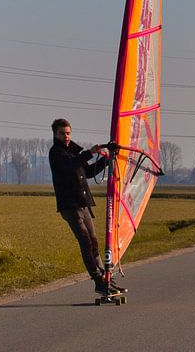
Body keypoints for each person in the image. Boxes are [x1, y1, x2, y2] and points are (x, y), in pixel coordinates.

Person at [48, 118, 124, 295]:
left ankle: (106, 279)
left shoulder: (75, 152)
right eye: (62, 133)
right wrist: (90, 152)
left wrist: (107, 159)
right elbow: (70, 166)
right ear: (55, 134)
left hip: (83, 204)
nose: (66, 136)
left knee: (94, 242)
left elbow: (87, 172)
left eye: (68, 133)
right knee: (85, 242)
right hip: (69, 206)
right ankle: (98, 281)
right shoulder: (56, 153)